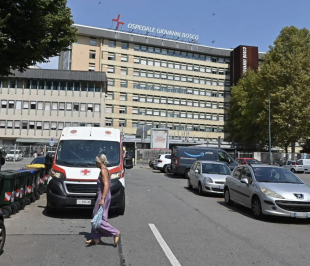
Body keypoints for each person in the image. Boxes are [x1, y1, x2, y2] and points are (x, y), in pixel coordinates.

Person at [86, 154, 121, 246]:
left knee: (97, 219)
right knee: (100, 216)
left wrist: (102, 199)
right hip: (104, 195)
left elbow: (106, 185)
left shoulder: (103, 171)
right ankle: (95, 238)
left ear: (100, 161)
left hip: (103, 196)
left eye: (96, 161)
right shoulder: (105, 170)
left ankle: (115, 232)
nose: (95, 163)